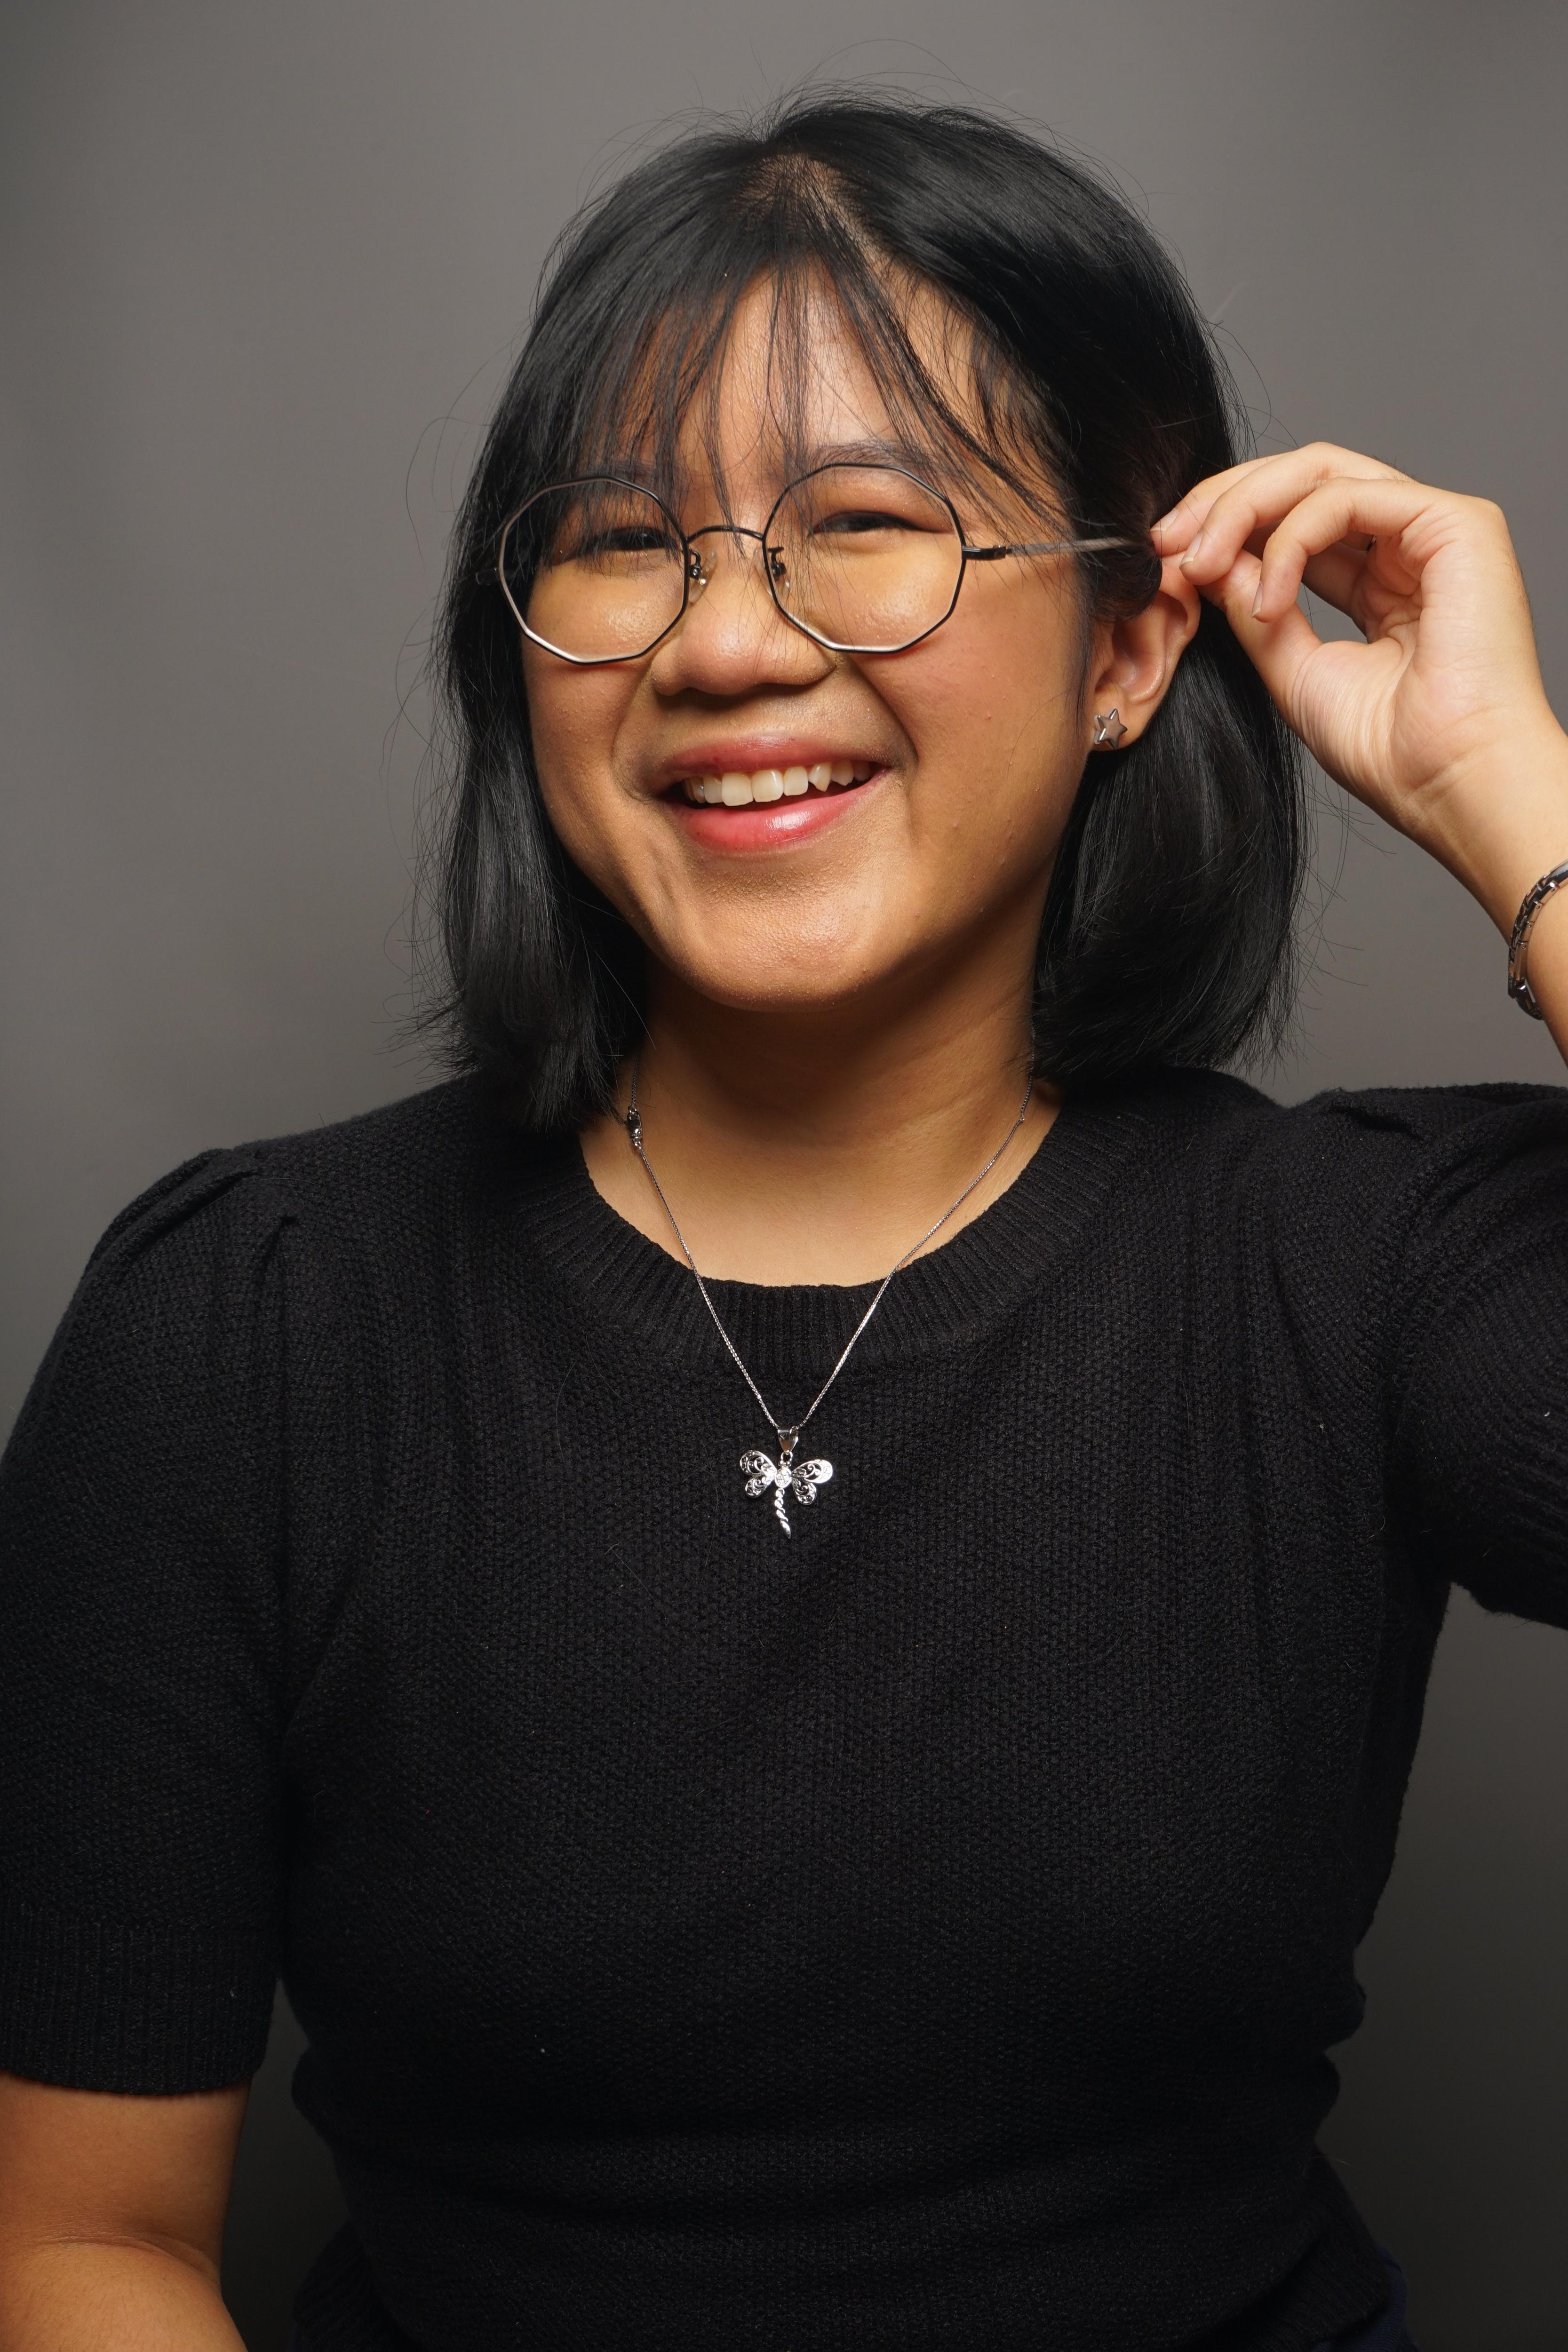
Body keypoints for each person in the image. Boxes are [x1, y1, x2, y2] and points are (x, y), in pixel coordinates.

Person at [0, 91, 1563, 2352]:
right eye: (628, 542)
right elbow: (84, 2241)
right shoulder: (246, 1325)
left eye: (868, 525)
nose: (732, 648)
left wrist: (1509, 786)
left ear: (1130, 648)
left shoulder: (1357, 1272)